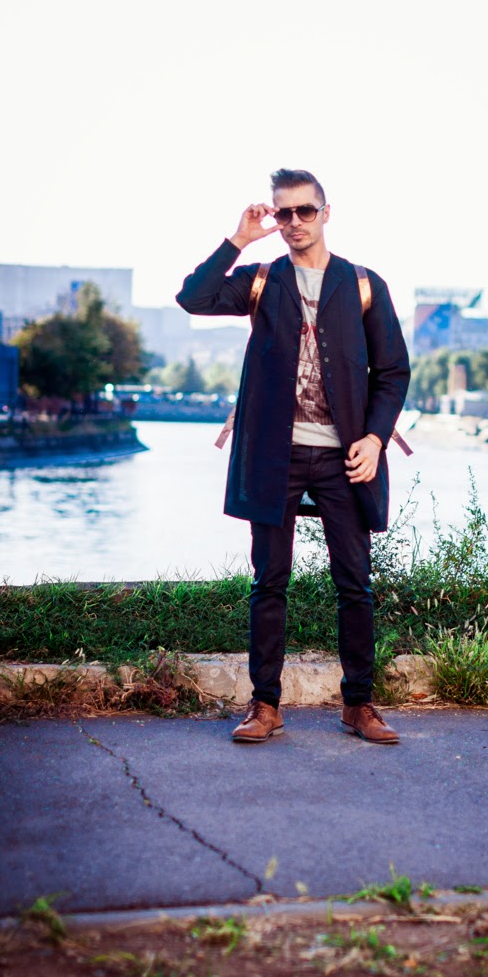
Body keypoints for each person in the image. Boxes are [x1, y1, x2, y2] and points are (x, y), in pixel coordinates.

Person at [176, 168, 410, 744]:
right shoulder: (261, 280)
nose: (295, 222)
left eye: (306, 210)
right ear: (275, 217)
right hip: (273, 455)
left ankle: (359, 705)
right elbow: (193, 297)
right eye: (284, 213)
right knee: (269, 582)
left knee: (355, 584)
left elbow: (393, 371)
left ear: (326, 213)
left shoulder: (363, 284)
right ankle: (265, 705)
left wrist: (375, 439)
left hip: (344, 457)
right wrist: (239, 238)